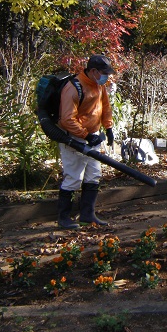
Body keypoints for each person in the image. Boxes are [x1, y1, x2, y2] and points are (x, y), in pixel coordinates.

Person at [57, 54, 116, 229]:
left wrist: (109, 128)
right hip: (74, 138)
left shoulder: (99, 85)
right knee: (73, 177)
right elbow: (67, 119)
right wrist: (85, 135)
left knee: (94, 175)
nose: (107, 76)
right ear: (93, 71)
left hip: (93, 136)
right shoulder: (73, 88)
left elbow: (105, 107)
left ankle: (87, 215)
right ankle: (64, 218)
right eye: (104, 73)